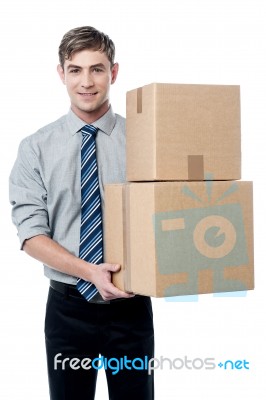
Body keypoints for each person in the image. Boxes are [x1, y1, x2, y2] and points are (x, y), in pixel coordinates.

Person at [9, 26, 154, 400]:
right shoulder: (35, 148)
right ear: (61, 73)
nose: (87, 82)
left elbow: (169, 211)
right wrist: (90, 272)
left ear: (114, 72)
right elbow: (30, 235)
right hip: (67, 310)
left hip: (131, 307)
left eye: (97, 69)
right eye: (76, 69)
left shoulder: (145, 140)